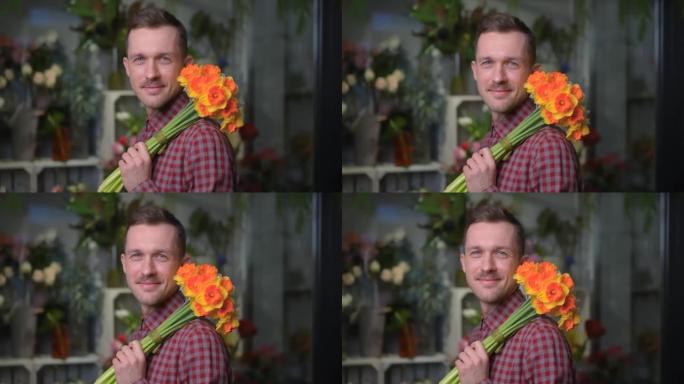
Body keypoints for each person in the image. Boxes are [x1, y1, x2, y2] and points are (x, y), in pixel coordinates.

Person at [120, 5, 236, 192]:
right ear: (127, 67)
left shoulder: (203, 140)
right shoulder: (145, 133)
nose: (151, 74)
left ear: (187, 66)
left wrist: (140, 186)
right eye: (139, 59)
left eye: (164, 59)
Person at [456, 204, 575, 383]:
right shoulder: (477, 334)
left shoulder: (541, 338)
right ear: (464, 264)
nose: (487, 266)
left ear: (523, 266)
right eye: (476, 253)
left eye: (501, 253)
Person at [463, 12, 580, 192]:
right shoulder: (488, 140)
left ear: (534, 74)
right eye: (487, 62)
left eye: (512, 63)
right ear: (475, 71)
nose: (498, 78)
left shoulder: (548, 147)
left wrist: (483, 190)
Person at [115, 205, 233, 383]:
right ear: (124, 264)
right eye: (136, 255)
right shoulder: (137, 336)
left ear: (184, 265)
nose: (147, 270)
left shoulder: (198, 340)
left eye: (161, 256)